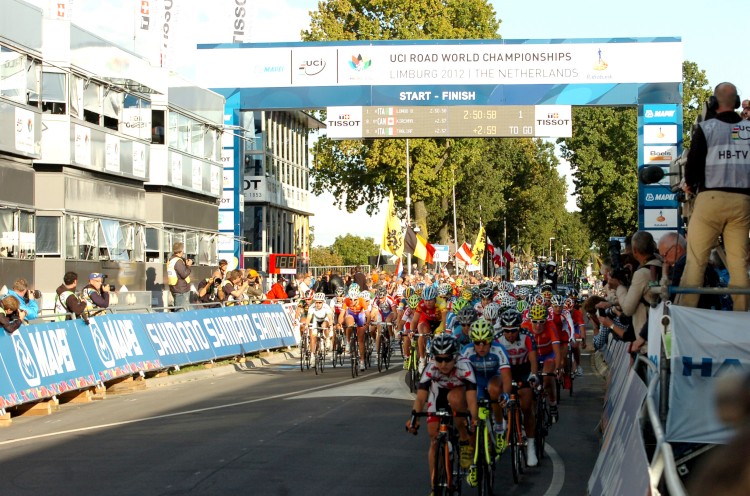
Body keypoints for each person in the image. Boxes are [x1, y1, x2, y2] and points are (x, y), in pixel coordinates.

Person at [679, 82, 750, 312]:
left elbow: (693, 167)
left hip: (710, 200)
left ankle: (687, 313)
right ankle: (742, 316)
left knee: (696, 261)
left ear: (713, 103)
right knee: (738, 264)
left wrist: (689, 185)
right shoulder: (747, 130)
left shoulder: (707, 128)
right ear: (736, 102)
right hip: (742, 202)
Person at [406, 334, 478, 492]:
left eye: (447, 359)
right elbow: (421, 398)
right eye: (439, 359)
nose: (443, 364)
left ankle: (464, 441)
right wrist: (414, 418)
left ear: (456, 356)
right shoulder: (431, 367)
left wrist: (473, 419)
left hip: (460, 394)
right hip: (438, 396)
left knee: (455, 398)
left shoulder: (465, 365)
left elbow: (472, 400)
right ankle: (435, 487)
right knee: (434, 438)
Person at [494, 309, 540, 467]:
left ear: (519, 328)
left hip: (523, 369)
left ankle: (531, 447)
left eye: (513, 330)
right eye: (506, 331)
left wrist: (533, 375)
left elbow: (533, 359)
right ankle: (503, 421)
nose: (510, 334)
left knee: (526, 407)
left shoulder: (527, 336)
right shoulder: (498, 338)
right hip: (505, 370)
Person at [606, 231, 663, 352]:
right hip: (660, 332)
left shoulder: (641, 274)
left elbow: (627, 309)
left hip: (647, 340)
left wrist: (619, 287)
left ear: (635, 251)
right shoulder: (660, 265)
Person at [658, 232, 721, 309]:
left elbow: (666, 295)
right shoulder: (704, 261)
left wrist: (665, 274)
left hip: (691, 312)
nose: (665, 260)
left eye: (665, 255)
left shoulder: (680, 266)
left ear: (677, 249)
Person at [167, 242, 193, 311]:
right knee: (181, 311)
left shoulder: (171, 260)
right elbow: (184, 274)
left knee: (182, 309)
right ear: (181, 251)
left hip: (175, 288)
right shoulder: (178, 262)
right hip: (181, 290)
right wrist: (188, 266)